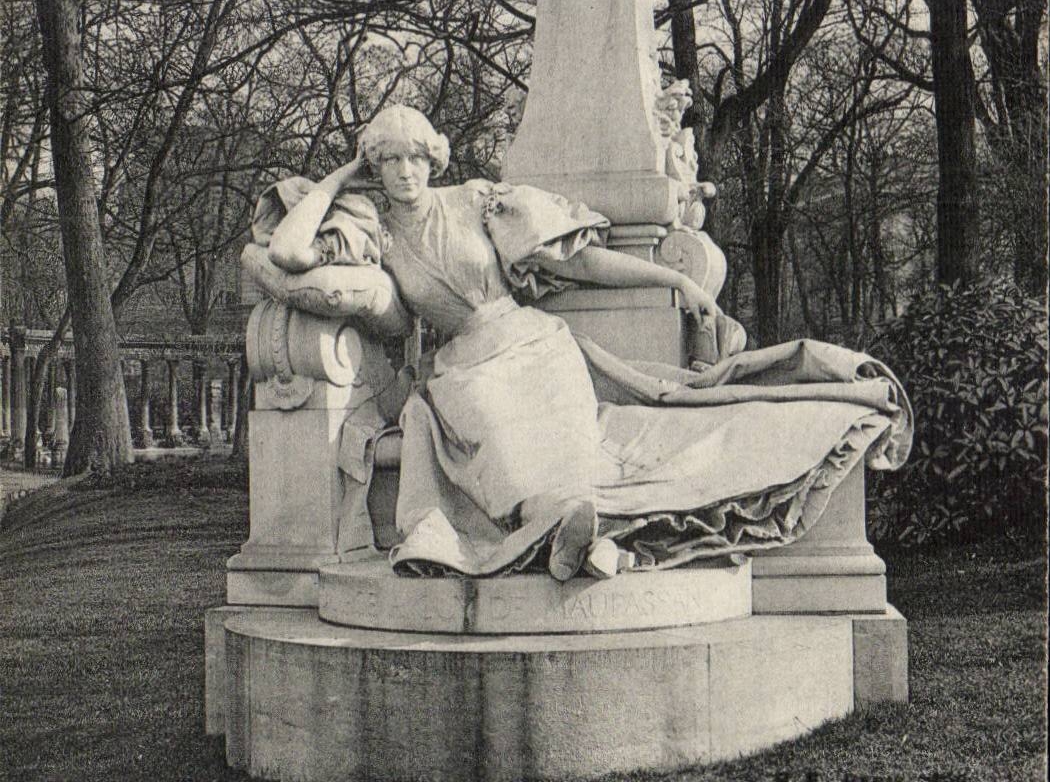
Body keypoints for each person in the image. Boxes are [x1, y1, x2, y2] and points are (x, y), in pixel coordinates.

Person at [255, 104, 911, 581]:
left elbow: (585, 263)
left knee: (576, 445)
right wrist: (341, 177)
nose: (403, 172)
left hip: (534, 347)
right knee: (501, 442)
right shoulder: (374, 230)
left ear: (434, 158)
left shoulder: (480, 202)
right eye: (388, 159)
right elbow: (287, 250)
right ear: (375, 166)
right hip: (464, 368)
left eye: (414, 156)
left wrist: (673, 275)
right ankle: (565, 527)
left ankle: (583, 531)